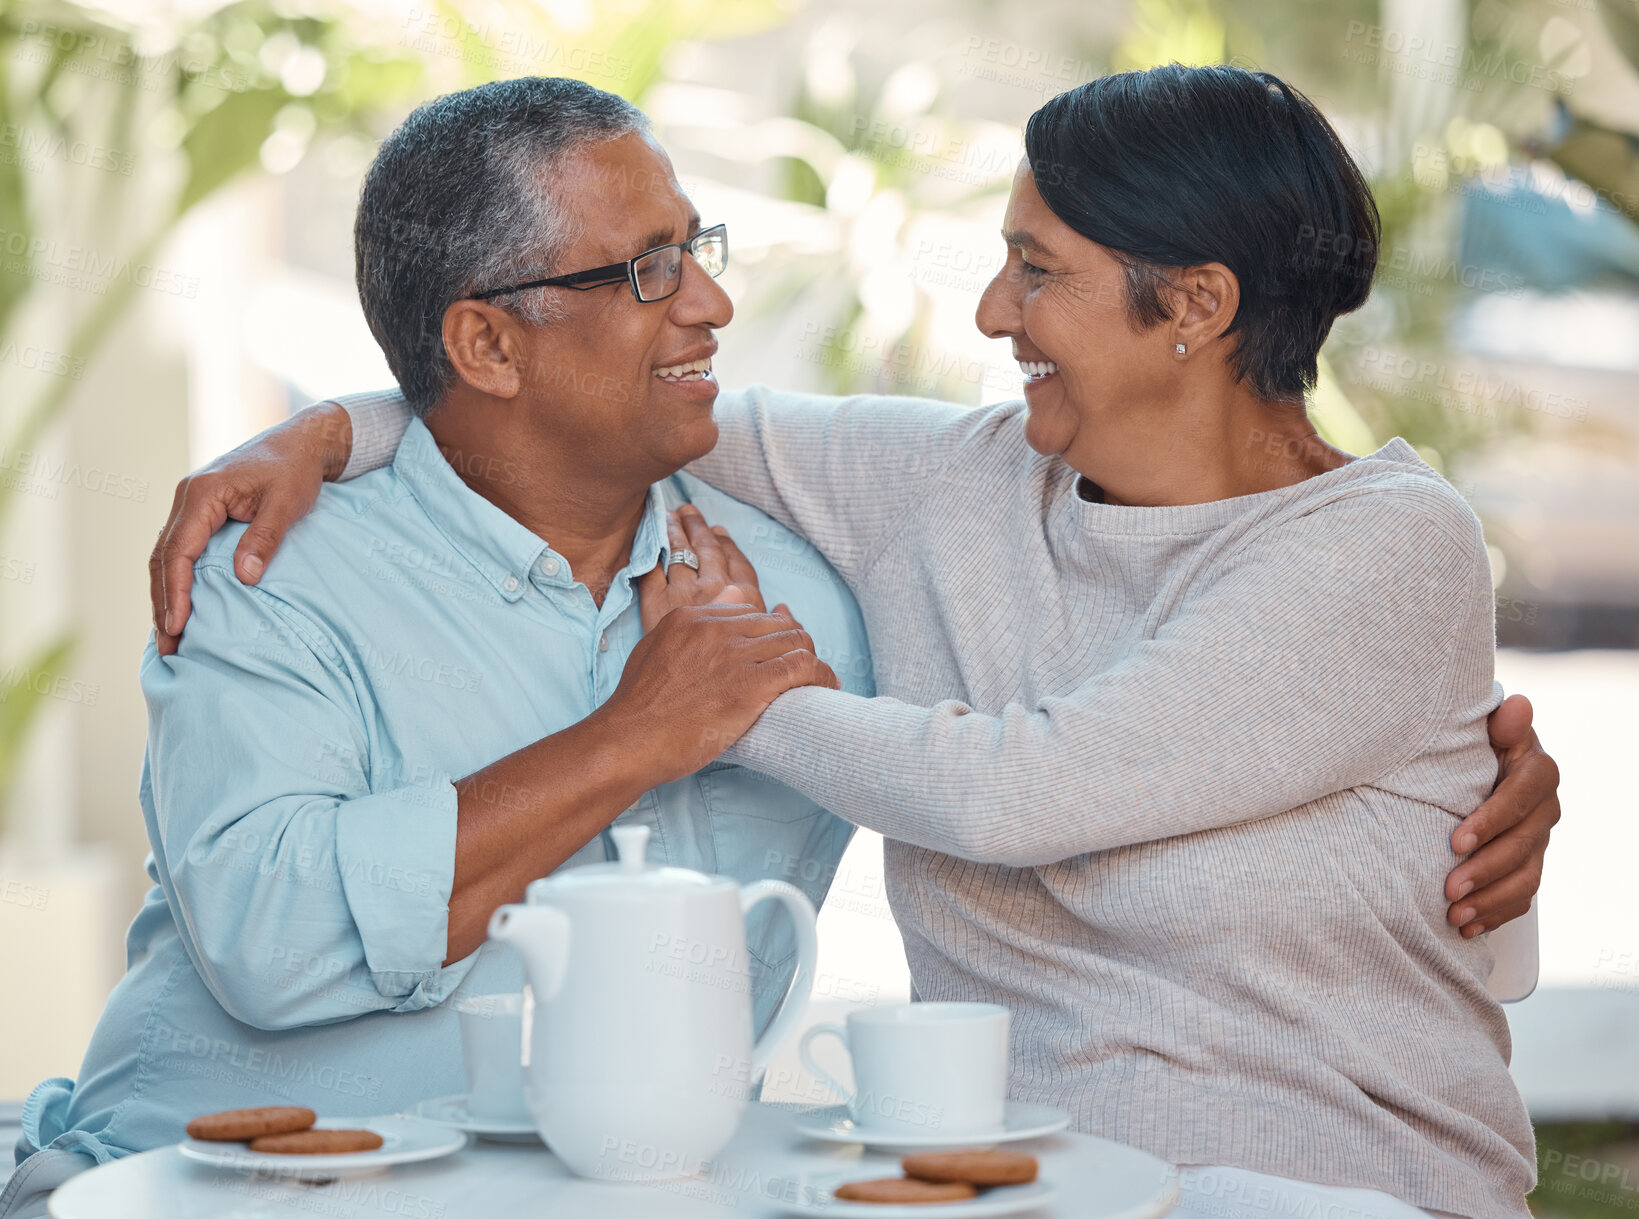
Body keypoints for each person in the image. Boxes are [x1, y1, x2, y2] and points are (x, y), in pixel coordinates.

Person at [143, 69, 1560, 1218]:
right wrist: (325, 429)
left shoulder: (1374, 546)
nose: (989, 313)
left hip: (1327, 1188)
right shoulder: (940, 489)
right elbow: (560, 407)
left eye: (1033, 270)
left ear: (1191, 305)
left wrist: (718, 696)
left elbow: (1013, 791)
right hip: (1002, 1182)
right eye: (653, 266)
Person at [1, 78, 868, 1219]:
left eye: (696, 245)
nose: (709, 300)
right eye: (647, 267)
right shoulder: (270, 573)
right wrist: (636, 734)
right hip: (194, 1192)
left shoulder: (804, 586)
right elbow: (272, 936)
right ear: (487, 345)